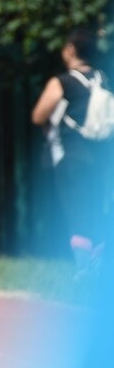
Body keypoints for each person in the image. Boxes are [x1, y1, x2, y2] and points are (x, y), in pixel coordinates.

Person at [32, 28, 111, 277]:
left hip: (71, 158)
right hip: (100, 157)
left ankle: (84, 270)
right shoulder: (102, 78)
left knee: (75, 210)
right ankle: (101, 267)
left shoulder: (62, 82)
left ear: (70, 49)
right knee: (97, 208)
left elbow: (38, 115)